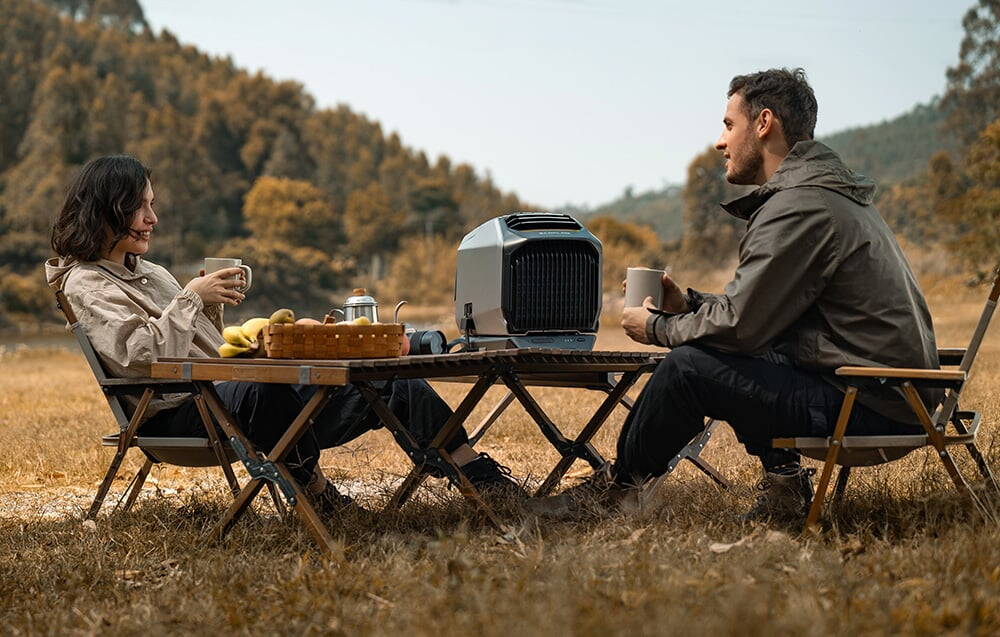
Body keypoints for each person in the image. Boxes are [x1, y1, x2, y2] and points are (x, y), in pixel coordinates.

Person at [530, 68, 941, 521]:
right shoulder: (823, 194)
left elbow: (742, 328)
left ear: (764, 124)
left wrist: (656, 326)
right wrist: (687, 305)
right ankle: (785, 484)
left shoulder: (800, 205)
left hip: (869, 404)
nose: (720, 142)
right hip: (888, 393)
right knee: (734, 354)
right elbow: (761, 312)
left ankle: (619, 490)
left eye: (729, 125)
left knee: (688, 368)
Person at [45, 155, 524, 518]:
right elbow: (141, 358)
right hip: (179, 418)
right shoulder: (86, 282)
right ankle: (315, 496)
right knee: (265, 387)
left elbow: (210, 351)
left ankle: (478, 476)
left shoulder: (151, 272)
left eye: (153, 205)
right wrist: (191, 297)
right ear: (109, 210)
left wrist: (213, 308)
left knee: (388, 380)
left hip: (226, 401)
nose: (152, 218)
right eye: (141, 207)